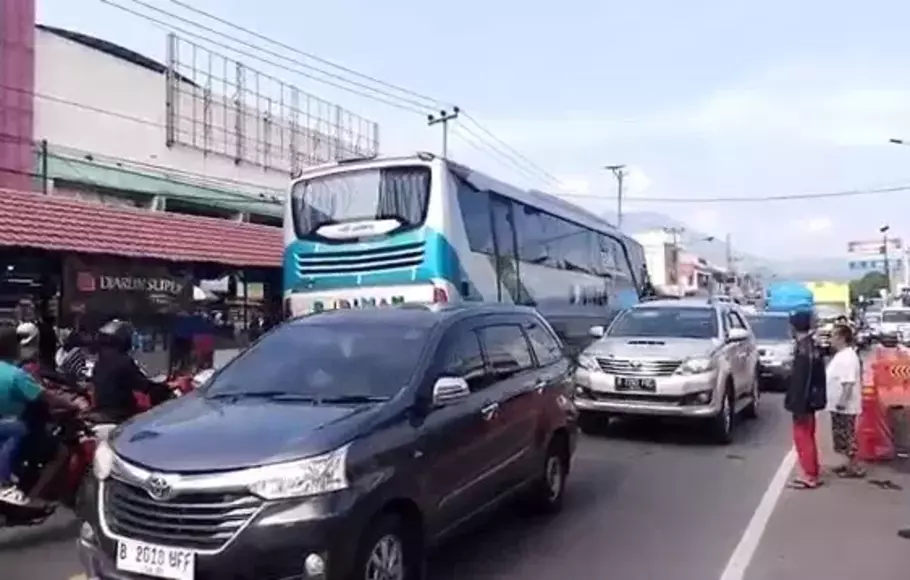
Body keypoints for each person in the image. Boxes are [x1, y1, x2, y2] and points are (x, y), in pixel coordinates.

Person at [0, 326, 81, 505]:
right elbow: (48, 398)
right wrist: (73, 405)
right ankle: (33, 498)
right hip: (15, 427)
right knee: (60, 452)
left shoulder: (24, 369)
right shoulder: (17, 375)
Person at [91, 319, 173, 423]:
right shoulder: (122, 361)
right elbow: (143, 386)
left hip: (103, 410)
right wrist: (165, 389)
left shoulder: (101, 360)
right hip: (119, 414)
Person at [785, 310, 828, 489]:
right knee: (808, 436)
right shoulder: (812, 347)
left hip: (803, 403)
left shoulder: (803, 350)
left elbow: (801, 382)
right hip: (810, 401)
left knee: (803, 438)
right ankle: (812, 471)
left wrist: (798, 405)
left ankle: (809, 475)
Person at [825, 324, 865, 478]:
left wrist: (842, 401)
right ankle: (848, 464)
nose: (831, 340)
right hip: (837, 405)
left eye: (833, 336)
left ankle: (854, 467)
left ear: (841, 338)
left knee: (847, 436)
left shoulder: (848, 357)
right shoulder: (841, 355)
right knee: (841, 437)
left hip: (845, 406)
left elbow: (848, 383)